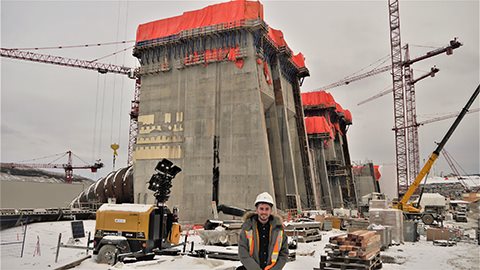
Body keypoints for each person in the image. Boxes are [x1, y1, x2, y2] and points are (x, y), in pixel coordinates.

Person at [238, 192, 288, 270]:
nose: (264, 212)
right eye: (261, 209)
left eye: (267, 209)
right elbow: (243, 253)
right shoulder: (247, 228)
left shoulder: (279, 230)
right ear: (257, 210)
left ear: (271, 210)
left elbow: (283, 254)